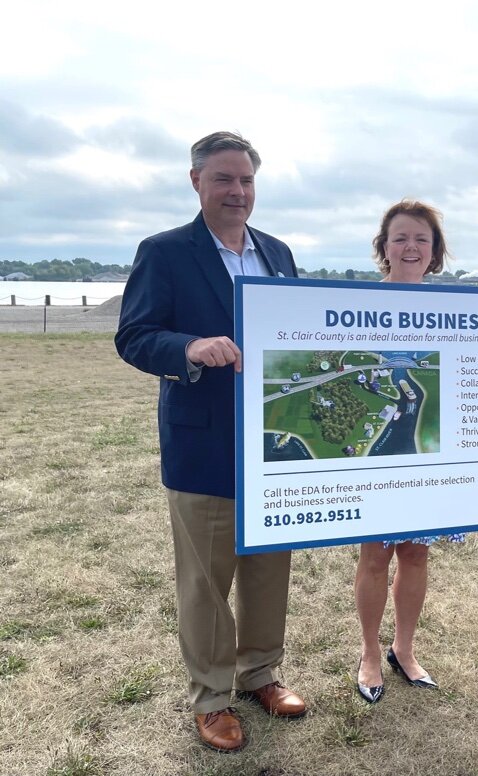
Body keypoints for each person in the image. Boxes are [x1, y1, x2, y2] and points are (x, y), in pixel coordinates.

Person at [115, 131, 305, 753]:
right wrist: (189, 349)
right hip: (205, 445)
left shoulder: (278, 253)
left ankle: (260, 675)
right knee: (206, 581)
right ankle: (212, 699)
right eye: (224, 179)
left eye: (246, 180)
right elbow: (135, 336)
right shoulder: (165, 252)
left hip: (275, 442)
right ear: (195, 182)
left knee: (268, 569)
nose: (237, 191)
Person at [355, 200, 465, 704]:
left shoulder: (452, 310)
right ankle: (369, 654)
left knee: (416, 552)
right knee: (375, 553)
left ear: (435, 250)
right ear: (384, 247)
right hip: (379, 453)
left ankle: (403, 648)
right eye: (400, 238)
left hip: (432, 454)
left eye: (422, 239)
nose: (411, 247)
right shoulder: (356, 305)